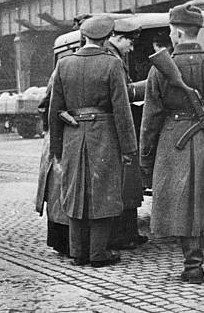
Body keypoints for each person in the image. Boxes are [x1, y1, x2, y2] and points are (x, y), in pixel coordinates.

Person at [140, 4, 204, 284]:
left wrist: (145, 158)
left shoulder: (159, 70)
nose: (170, 36)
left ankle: (193, 266)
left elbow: (151, 119)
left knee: (184, 202)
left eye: (171, 31)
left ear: (179, 32)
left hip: (175, 141)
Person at [49, 15, 137, 266]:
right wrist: (129, 147)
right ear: (107, 38)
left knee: (75, 192)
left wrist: (57, 148)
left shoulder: (64, 64)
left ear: (84, 36)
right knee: (104, 191)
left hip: (73, 137)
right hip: (104, 136)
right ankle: (98, 253)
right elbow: (122, 110)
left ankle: (78, 253)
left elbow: (55, 109)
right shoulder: (112, 64)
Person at [104, 18, 147, 250]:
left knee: (127, 184)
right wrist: (148, 85)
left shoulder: (115, 56)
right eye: (129, 42)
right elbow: (122, 95)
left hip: (118, 127)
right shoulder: (113, 60)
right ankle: (123, 236)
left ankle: (129, 233)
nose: (131, 48)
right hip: (119, 129)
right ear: (118, 38)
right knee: (123, 183)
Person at [35, 72, 69, 256]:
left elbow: (43, 106)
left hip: (56, 136)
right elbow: (45, 106)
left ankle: (60, 241)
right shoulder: (61, 73)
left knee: (58, 191)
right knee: (59, 190)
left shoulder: (59, 71)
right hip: (60, 137)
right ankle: (63, 242)